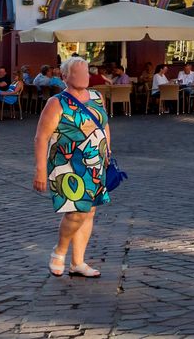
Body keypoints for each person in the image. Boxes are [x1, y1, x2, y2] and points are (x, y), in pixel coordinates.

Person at [33, 55, 111, 278]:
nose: (83, 76)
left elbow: (104, 125)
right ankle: (60, 250)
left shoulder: (97, 97)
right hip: (67, 164)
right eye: (77, 73)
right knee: (77, 212)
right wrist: (40, 169)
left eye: (85, 72)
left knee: (90, 211)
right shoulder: (56, 102)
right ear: (65, 76)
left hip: (95, 162)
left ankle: (78, 263)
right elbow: (40, 138)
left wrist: (108, 150)